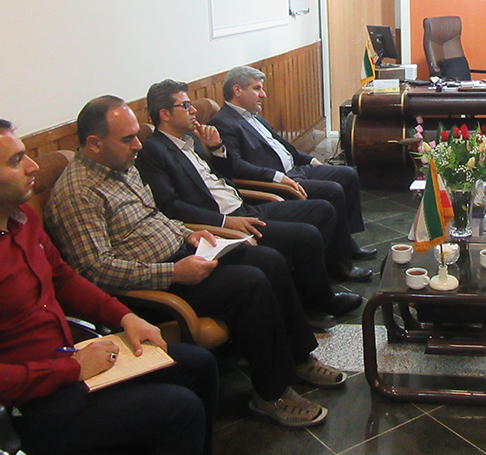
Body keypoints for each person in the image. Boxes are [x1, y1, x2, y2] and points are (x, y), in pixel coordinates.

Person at [0, 118, 218, 455]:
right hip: (24, 409)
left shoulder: (20, 219)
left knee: (197, 365)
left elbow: (63, 279)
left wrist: (125, 317)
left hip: (64, 367)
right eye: (16, 161)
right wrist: (72, 368)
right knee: (180, 409)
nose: (32, 167)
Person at [45, 96, 344, 428]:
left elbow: (156, 216)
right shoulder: (78, 194)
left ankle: (299, 358)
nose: (138, 145)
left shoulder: (122, 167)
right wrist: (173, 272)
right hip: (153, 285)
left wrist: (188, 234)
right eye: (128, 138)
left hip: (183, 255)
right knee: (250, 284)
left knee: (268, 260)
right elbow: (96, 271)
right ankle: (271, 394)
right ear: (94, 143)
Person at [136, 79, 362, 319]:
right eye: (185, 106)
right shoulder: (154, 151)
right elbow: (171, 206)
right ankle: (319, 302)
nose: (193, 111)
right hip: (223, 222)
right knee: (306, 236)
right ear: (165, 114)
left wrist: (216, 149)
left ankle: (321, 278)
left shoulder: (192, 141)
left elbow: (224, 179)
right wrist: (225, 222)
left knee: (323, 210)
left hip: (244, 207)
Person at [209, 65, 374, 280]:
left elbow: (283, 146)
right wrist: (278, 177)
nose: (263, 94)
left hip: (296, 169)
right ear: (237, 90)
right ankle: (337, 263)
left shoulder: (254, 116)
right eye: (257, 88)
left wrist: (311, 160)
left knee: (348, 174)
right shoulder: (222, 122)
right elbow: (236, 166)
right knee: (332, 191)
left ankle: (345, 243)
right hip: (278, 182)